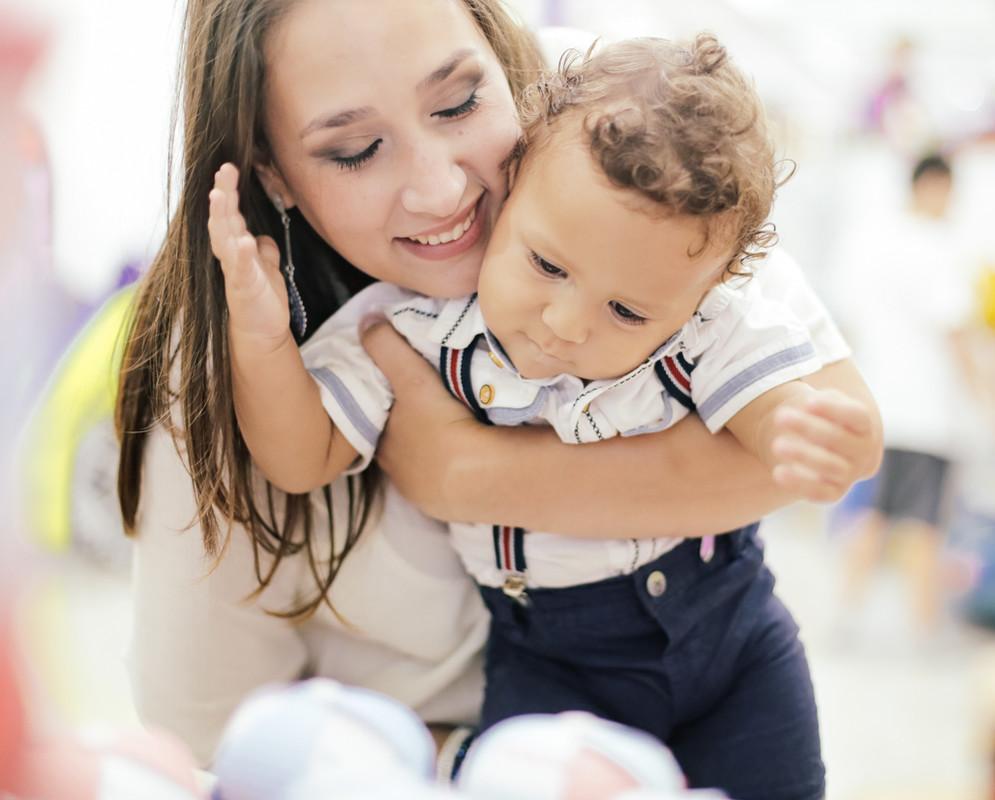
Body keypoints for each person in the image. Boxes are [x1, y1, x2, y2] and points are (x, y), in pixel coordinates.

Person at [115, 0, 883, 769]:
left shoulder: (614, 133)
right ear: (271, 172)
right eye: (353, 150)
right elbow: (215, 735)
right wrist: (261, 338)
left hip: (730, 634)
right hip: (527, 689)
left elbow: (813, 413)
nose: (441, 189)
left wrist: (468, 477)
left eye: (458, 103)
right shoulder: (376, 330)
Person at [831, 152, 980, 642]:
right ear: (934, 186)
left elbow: (848, 322)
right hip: (926, 409)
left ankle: (847, 616)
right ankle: (924, 625)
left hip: (877, 402)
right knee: (922, 522)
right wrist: (991, 400)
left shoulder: (875, 241)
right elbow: (954, 329)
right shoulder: (935, 245)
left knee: (871, 511)